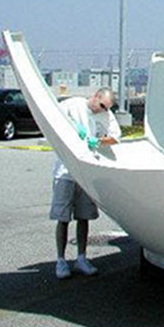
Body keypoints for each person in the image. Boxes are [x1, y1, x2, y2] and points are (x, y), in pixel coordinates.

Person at [51, 87, 121, 279]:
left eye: (106, 108)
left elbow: (116, 136)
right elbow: (52, 115)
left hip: (87, 172)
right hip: (65, 171)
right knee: (63, 218)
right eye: (101, 105)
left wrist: (98, 141)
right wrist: (75, 130)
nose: (102, 110)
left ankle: (81, 258)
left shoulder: (106, 116)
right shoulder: (73, 105)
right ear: (95, 96)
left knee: (84, 217)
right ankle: (61, 260)